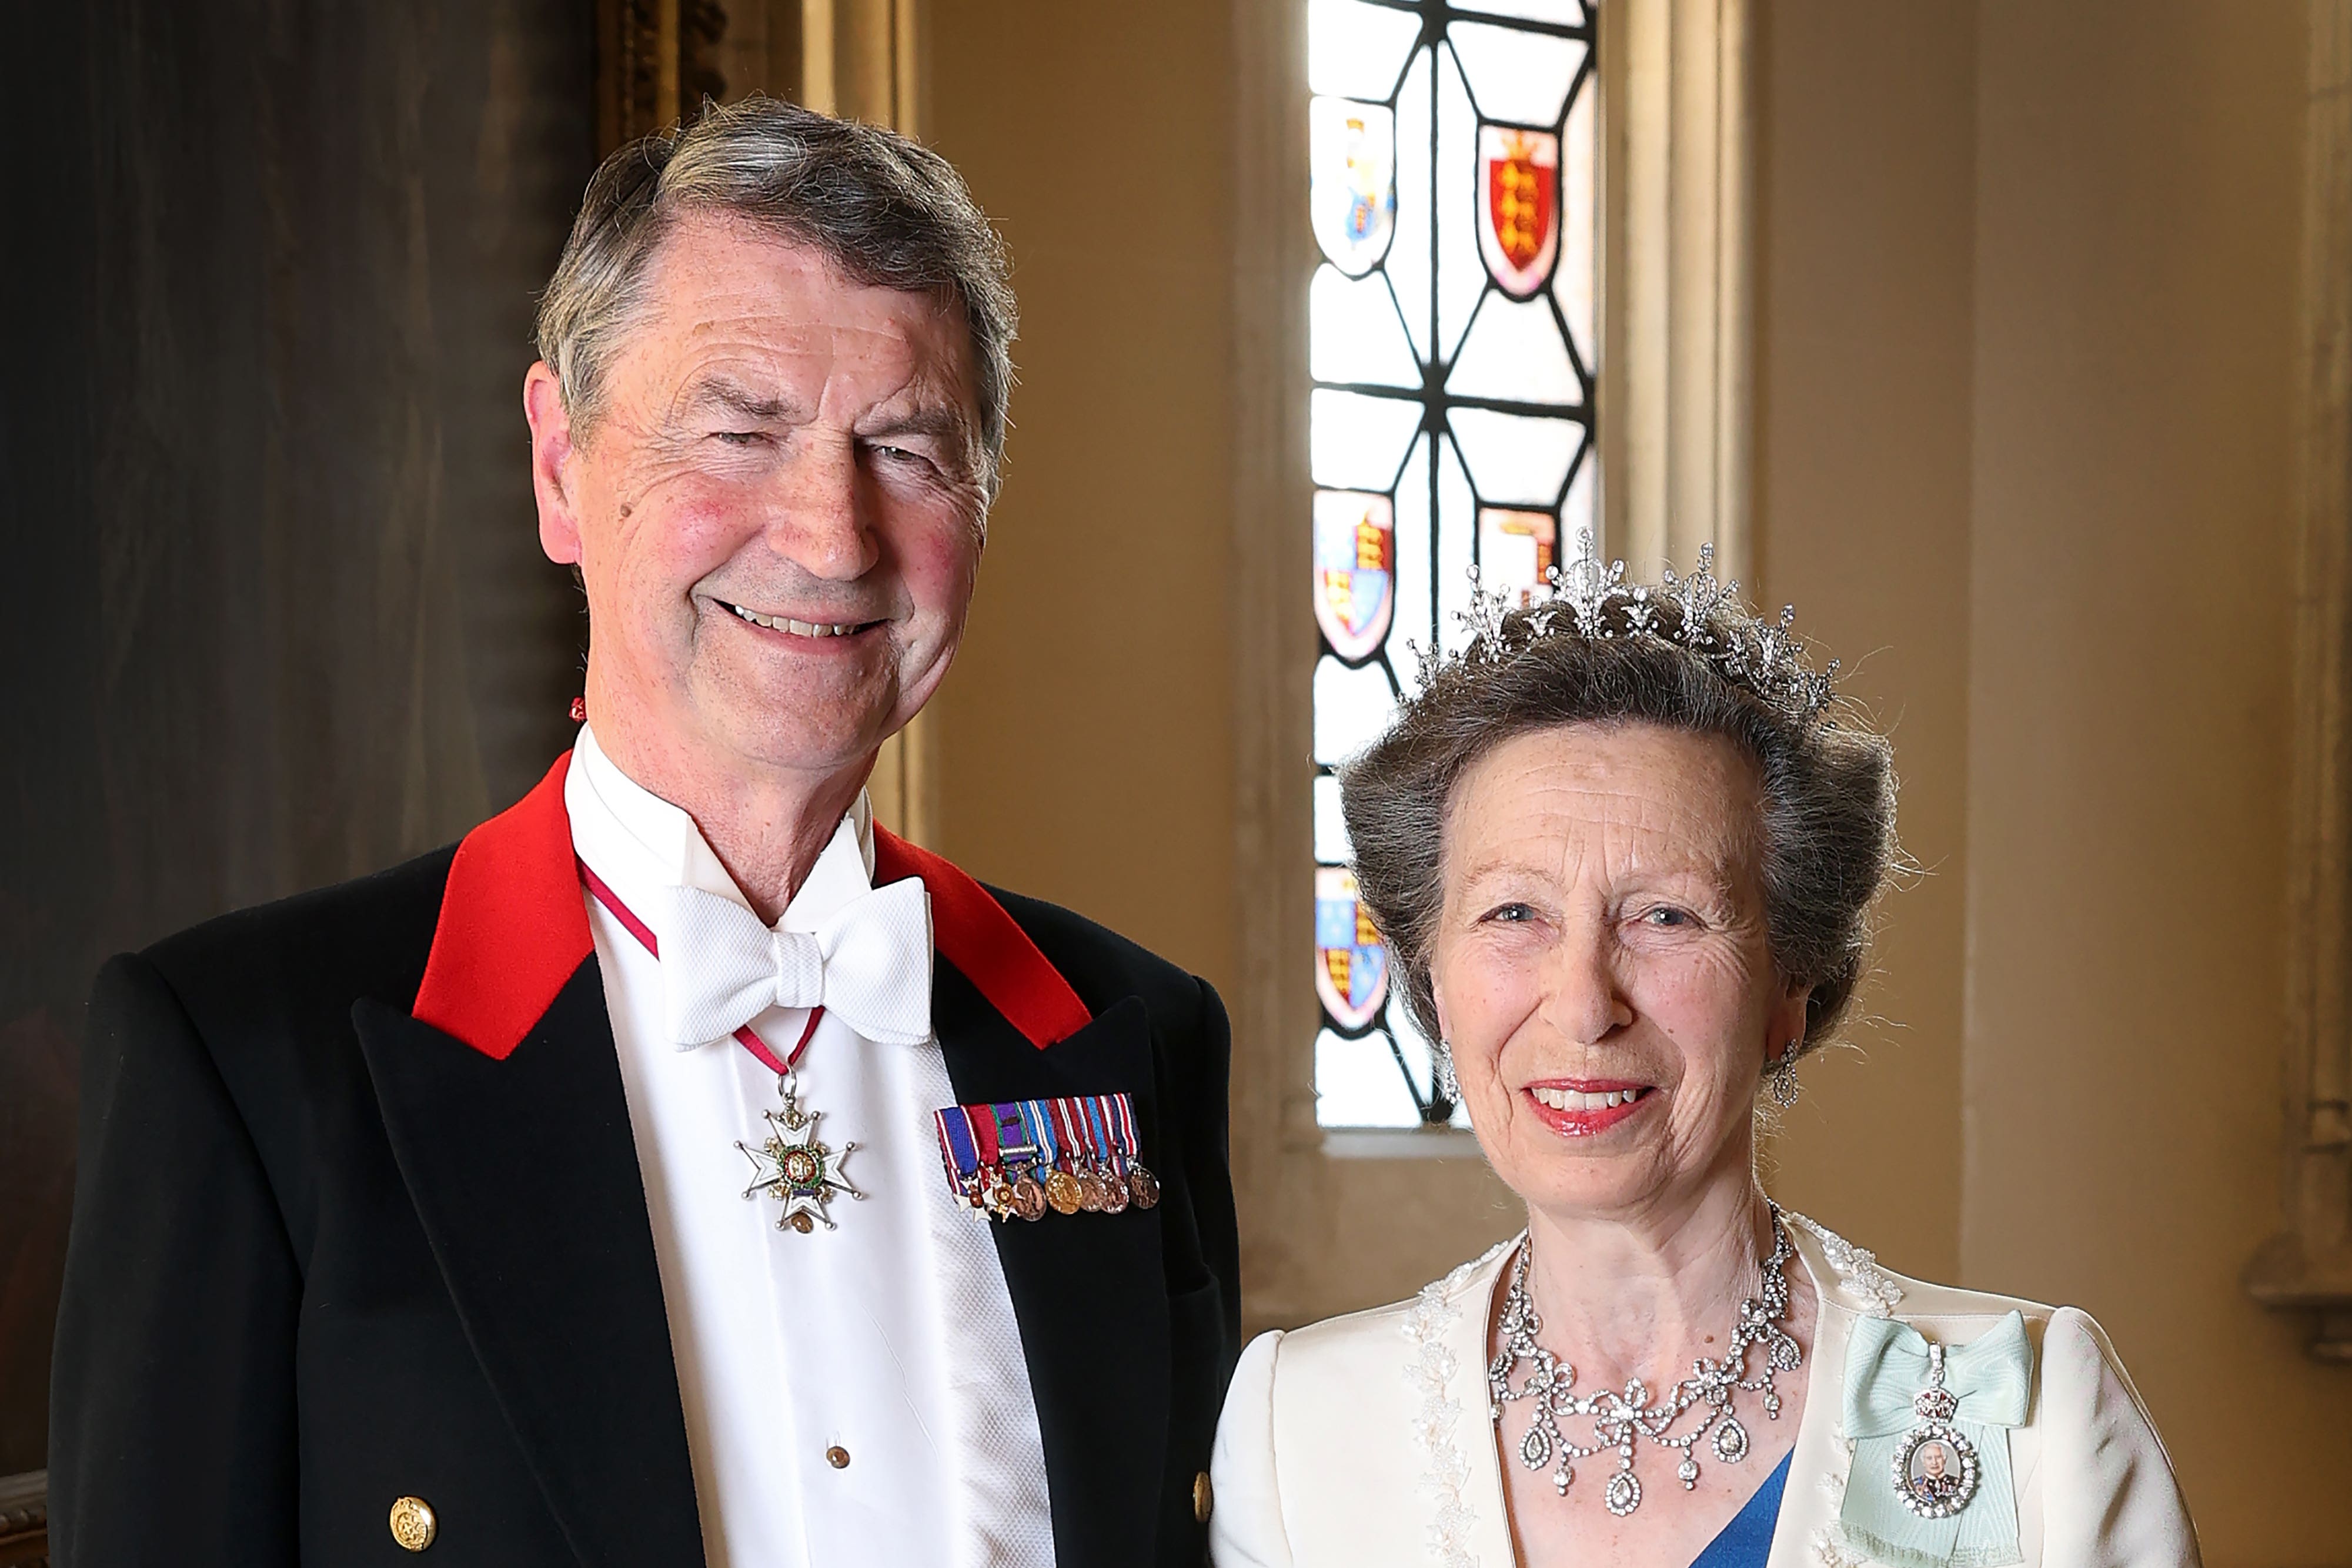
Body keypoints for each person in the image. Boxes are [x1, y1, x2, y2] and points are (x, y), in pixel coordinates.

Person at [49, 98, 1238, 1568]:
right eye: (738, 430)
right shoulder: (243, 1062)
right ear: (560, 465)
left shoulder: (1132, 1033)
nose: (829, 533)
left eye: (906, 449)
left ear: (984, 503)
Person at [1207, 541, 2198, 1568]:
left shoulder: (2034, 1414)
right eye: (1514, 913)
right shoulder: (1300, 1432)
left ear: (1791, 987)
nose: (1585, 1005)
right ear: (1434, 984)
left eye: (1669, 917)